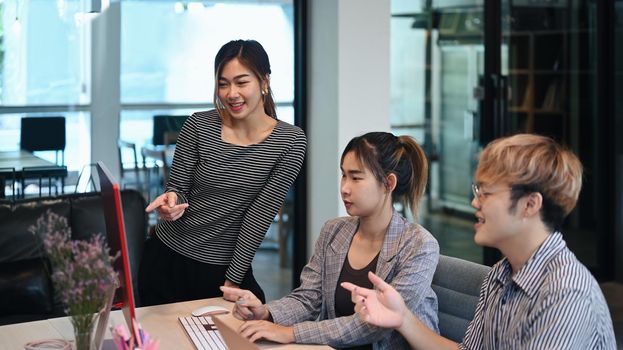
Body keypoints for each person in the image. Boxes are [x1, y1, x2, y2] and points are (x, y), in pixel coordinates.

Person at [343, 134, 617, 349]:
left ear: (529, 204)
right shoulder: (502, 274)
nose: (474, 202)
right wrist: (402, 318)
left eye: (485, 192)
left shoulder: (565, 292)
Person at [221, 132, 440, 350]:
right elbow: (309, 298)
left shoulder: (419, 245)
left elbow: (375, 324)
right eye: (343, 175)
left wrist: (291, 333)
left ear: (388, 183)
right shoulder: (334, 231)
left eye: (356, 177)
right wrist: (267, 312)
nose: (344, 187)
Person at [139, 39, 307, 306]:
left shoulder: (290, 142)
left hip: (222, 269)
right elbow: (178, 186)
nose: (231, 93)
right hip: (165, 258)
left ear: (264, 81)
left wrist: (233, 279)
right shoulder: (198, 124)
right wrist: (171, 200)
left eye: (242, 82)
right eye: (223, 83)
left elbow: (259, 216)